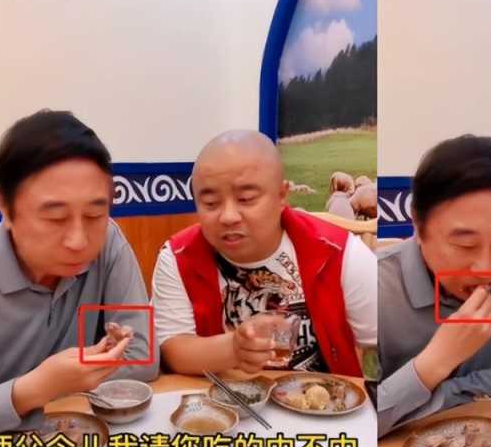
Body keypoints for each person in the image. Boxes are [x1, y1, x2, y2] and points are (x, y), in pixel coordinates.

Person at [0, 110, 159, 442]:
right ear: (5, 205)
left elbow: (143, 357)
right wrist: (34, 388)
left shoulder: (108, 242)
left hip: (74, 443)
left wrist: (78, 372)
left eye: (95, 214)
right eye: (55, 218)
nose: (79, 241)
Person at [377, 134, 491, 436]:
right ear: (418, 227)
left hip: (486, 440)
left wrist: (446, 393)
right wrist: (435, 362)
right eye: (465, 245)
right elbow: (358, 416)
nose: (486, 269)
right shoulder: (378, 284)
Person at [151, 130, 377, 377]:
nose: (228, 216)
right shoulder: (178, 256)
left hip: (321, 398)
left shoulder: (340, 252)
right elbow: (172, 347)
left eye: (246, 199)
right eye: (211, 203)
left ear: (282, 196)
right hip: (223, 399)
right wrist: (234, 349)